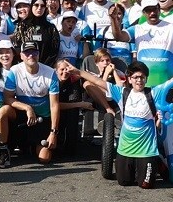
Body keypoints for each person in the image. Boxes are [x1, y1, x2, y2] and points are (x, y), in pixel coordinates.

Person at [65, 59, 161, 187]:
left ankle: (158, 164)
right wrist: (78, 72)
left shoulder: (152, 93)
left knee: (145, 185)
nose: (139, 80)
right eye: (136, 77)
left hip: (146, 150)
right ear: (130, 79)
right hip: (126, 149)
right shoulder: (122, 93)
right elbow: (98, 81)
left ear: (146, 79)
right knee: (124, 182)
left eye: (142, 77)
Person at [0, 41, 62, 167]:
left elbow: (54, 105)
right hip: (23, 115)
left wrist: (54, 132)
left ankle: (31, 147)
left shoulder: (50, 73)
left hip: (42, 118)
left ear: (38, 54)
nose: (30, 55)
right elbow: (7, 98)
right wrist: (27, 108)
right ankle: (4, 150)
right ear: (21, 55)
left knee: (44, 158)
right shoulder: (14, 71)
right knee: (4, 110)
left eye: (34, 52)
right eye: (27, 53)